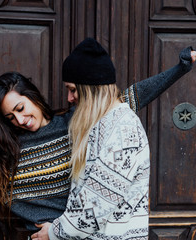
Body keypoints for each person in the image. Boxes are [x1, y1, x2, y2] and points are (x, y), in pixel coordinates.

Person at [0, 40, 196, 233]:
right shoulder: (5, 151)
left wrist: (180, 68)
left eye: (21, 108)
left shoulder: (78, 123)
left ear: (32, 97)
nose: (20, 120)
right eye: (10, 118)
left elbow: (131, 96)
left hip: (82, 233)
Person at [32, 37, 150, 240]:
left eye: (73, 89)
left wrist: (53, 232)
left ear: (91, 88)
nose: (69, 98)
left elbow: (94, 208)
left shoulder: (122, 129)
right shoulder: (104, 123)